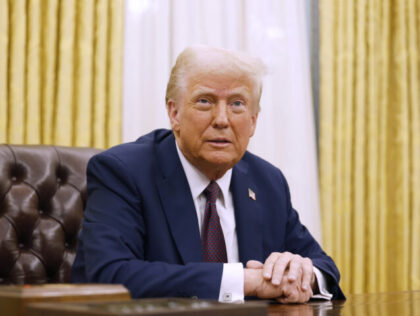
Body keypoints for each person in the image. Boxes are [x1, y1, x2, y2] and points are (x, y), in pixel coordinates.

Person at [72, 46, 344, 303]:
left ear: (253, 122)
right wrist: (245, 281)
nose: (222, 119)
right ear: (174, 113)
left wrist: (302, 274)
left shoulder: (267, 182)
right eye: (205, 101)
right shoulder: (123, 172)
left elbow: (325, 267)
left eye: (237, 104)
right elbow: (108, 277)